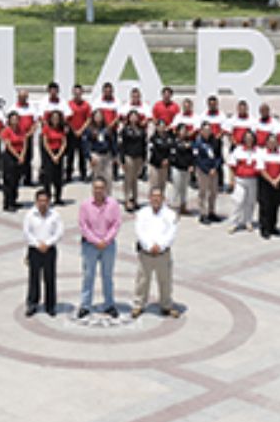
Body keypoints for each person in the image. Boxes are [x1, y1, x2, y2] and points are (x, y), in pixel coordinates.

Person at [132, 188, 180, 318]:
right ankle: (139, 304)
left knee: (165, 280)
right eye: (153, 196)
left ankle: (166, 305)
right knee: (142, 280)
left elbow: (172, 233)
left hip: (162, 253)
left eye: (159, 196)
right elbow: (139, 231)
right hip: (145, 253)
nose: (156, 199)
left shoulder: (170, 214)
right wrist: (148, 246)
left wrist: (160, 246)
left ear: (163, 198)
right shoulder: (142, 213)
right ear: (149, 198)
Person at [78, 179, 121, 319]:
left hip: (108, 246)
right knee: (88, 276)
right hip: (90, 246)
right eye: (96, 188)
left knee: (107, 276)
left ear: (106, 189)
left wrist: (106, 240)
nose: (98, 191)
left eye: (101, 188)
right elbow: (83, 226)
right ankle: (85, 305)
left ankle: (109, 304)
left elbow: (116, 224)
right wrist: (96, 241)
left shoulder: (113, 204)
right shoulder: (85, 205)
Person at [24, 189, 63, 316]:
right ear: (36, 201)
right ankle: (32, 304)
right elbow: (27, 232)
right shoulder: (30, 215)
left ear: (49, 201)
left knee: (50, 277)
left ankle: (50, 305)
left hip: (49, 249)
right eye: (40, 201)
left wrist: (48, 243)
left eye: (45, 201)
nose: (42, 203)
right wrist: (37, 244)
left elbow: (59, 232)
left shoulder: (55, 215)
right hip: (34, 249)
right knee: (34, 277)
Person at [256, 134, 280, 240]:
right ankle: (264, 228)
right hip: (265, 183)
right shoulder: (262, 153)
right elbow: (261, 169)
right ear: (266, 143)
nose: (272, 143)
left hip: (278, 183)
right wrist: (271, 180)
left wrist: (277, 180)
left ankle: (273, 226)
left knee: (275, 206)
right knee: (265, 206)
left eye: (274, 141)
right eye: (270, 141)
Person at [226, 130, 259, 234]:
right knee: (238, 201)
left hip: (253, 180)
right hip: (240, 180)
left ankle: (248, 221)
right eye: (247, 138)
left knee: (250, 202)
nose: (249, 140)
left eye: (251, 138)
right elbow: (232, 166)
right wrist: (231, 180)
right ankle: (234, 223)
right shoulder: (238, 150)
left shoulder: (258, 151)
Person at [119, 111, 148, 212]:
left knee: (135, 179)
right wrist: (122, 159)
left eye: (135, 116)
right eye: (132, 116)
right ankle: (127, 199)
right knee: (128, 178)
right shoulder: (125, 130)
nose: (134, 118)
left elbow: (144, 145)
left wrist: (144, 159)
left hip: (138, 157)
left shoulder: (142, 131)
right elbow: (122, 146)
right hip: (128, 156)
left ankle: (135, 199)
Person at [192, 125, 221, 224]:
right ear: (201, 131)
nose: (207, 132)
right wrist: (206, 169)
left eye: (209, 130)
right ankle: (203, 213)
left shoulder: (215, 141)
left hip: (214, 171)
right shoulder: (198, 142)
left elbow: (219, 156)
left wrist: (215, 168)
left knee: (213, 192)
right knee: (203, 193)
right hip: (202, 171)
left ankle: (211, 212)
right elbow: (196, 158)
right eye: (205, 130)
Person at [0, 112, 28, 212]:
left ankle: (14, 200)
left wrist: (22, 155)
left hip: (20, 156)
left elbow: (25, 143)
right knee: (9, 181)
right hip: (9, 157)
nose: (15, 121)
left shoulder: (21, 130)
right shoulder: (6, 131)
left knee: (16, 180)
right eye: (13, 119)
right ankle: (8, 203)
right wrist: (18, 156)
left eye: (16, 119)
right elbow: (8, 145)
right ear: (9, 120)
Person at [82, 110, 117, 189]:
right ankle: (97, 198)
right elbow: (86, 144)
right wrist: (89, 156)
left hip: (107, 156)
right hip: (96, 155)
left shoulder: (107, 129)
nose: (98, 118)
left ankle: (108, 198)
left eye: (100, 116)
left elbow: (113, 142)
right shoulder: (89, 129)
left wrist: (115, 155)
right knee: (97, 178)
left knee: (108, 177)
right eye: (96, 116)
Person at [65, 85, 92, 182]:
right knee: (70, 155)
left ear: (82, 93)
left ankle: (83, 174)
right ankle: (68, 175)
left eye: (79, 93)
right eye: (75, 93)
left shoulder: (86, 105)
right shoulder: (69, 104)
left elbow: (89, 119)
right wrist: (74, 130)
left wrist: (81, 130)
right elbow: (67, 119)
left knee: (82, 155)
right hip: (71, 133)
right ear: (73, 93)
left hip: (82, 132)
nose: (77, 94)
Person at [41, 110, 68, 205]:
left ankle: (58, 198)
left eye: (57, 118)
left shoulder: (62, 129)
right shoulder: (46, 128)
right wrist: (52, 156)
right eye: (53, 118)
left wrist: (59, 155)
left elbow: (64, 142)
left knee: (58, 177)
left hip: (59, 153)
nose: (55, 120)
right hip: (49, 154)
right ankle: (47, 198)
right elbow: (45, 142)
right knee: (48, 177)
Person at [13, 91, 39, 186]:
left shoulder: (32, 108)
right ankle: (18, 178)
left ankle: (28, 179)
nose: (23, 98)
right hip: (17, 138)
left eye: (24, 97)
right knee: (17, 158)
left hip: (28, 137)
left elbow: (35, 122)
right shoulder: (14, 108)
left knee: (28, 158)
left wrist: (30, 133)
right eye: (21, 97)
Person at [169, 122, 194, 216]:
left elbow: (192, 155)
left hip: (186, 169)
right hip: (177, 168)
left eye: (185, 130)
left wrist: (191, 165)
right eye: (182, 130)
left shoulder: (189, 142)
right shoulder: (174, 142)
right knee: (176, 188)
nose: (183, 132)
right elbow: (173, 155)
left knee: (184, 188)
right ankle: (173, 206)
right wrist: (183, 148)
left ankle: (183, 206)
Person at [147, 121, 174, 194]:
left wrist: (168, 160)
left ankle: (161, 201)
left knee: (162, 185)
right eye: (160, 126)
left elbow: (171, 150)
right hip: (155, 164)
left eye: (163, 126)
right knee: (154, 185)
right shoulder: (153, 138)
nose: (161, 128)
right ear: (157, 127)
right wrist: (160, 160)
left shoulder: (169, 138)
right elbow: (153, 151)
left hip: (165, 165)